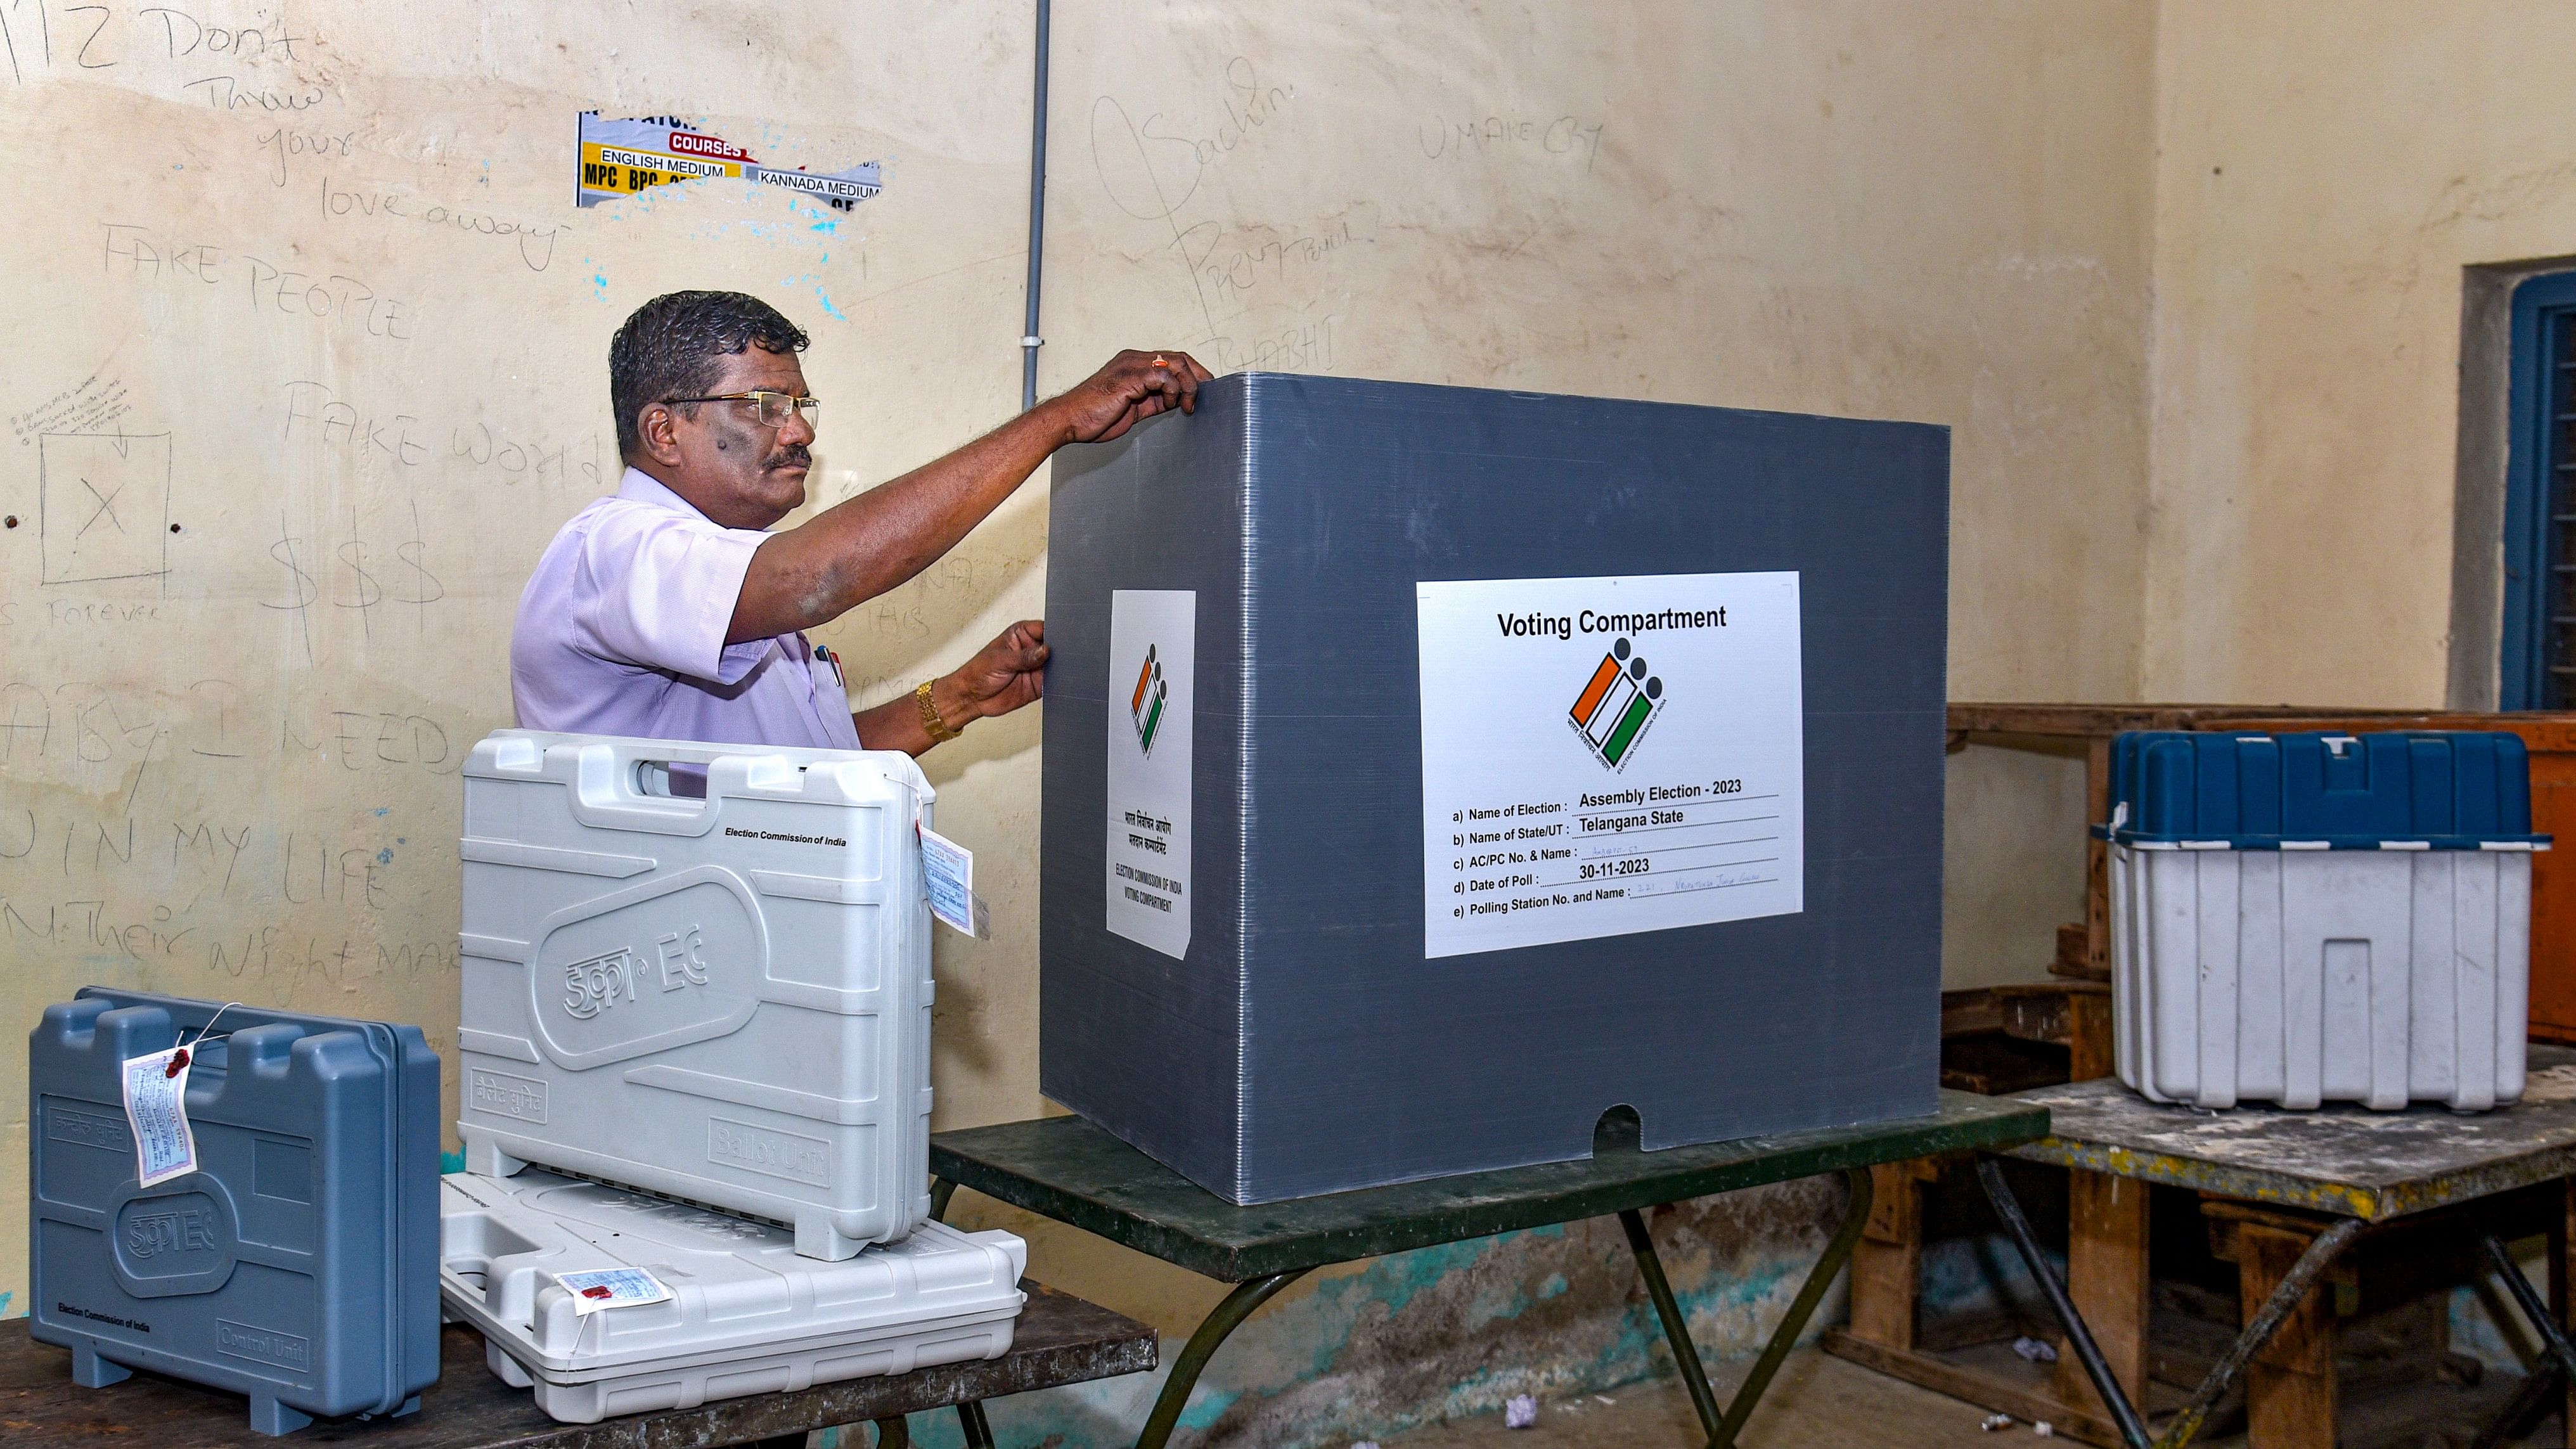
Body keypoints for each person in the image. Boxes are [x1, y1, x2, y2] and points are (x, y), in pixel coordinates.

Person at [512, 290, 1212, 757]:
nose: (799, 433)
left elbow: (798, 771)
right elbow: (821, 577)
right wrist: (1055, 420)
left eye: (800, 405)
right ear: (664, 432)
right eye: (764, 405)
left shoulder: (720, 569)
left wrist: (957, 697)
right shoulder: (613, 550)